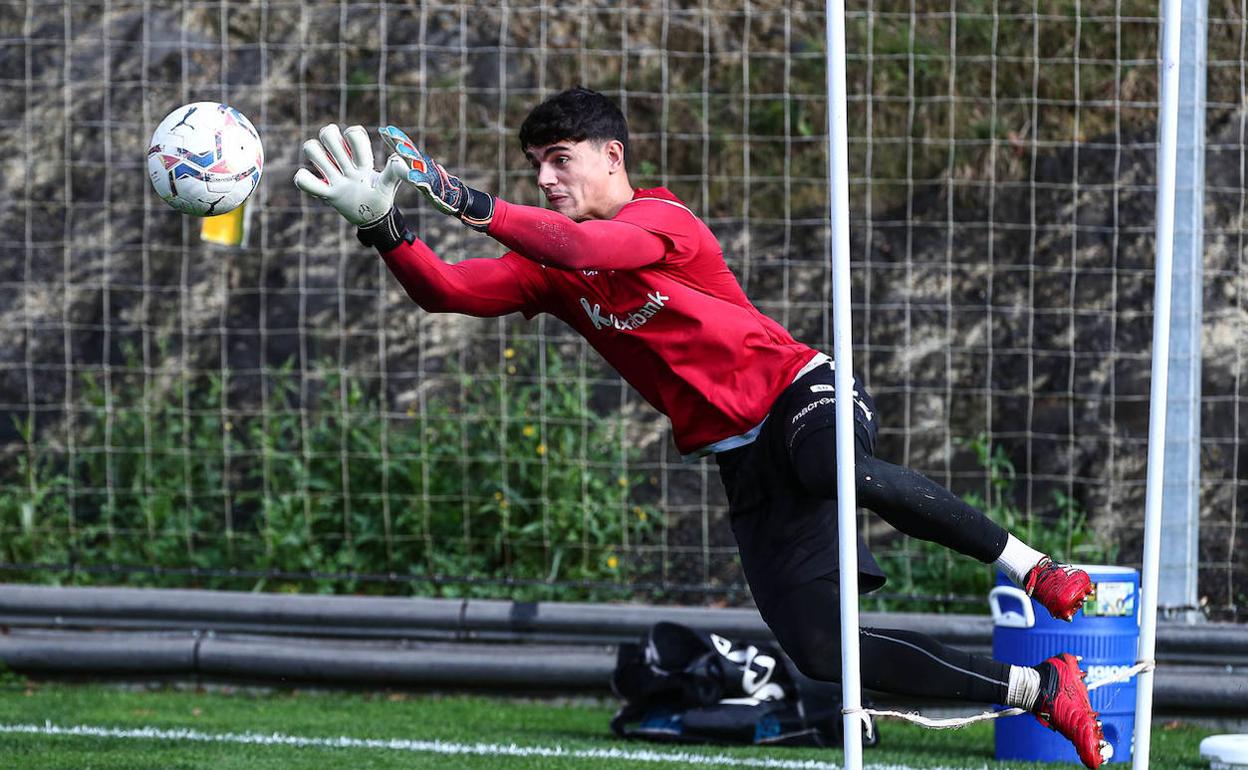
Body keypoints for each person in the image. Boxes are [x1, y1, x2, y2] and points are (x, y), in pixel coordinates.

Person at [293, 87, 1112, 769]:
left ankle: (1035, 568)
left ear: (612, 157)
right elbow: (445, 291)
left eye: (559, 159)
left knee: (833, 469)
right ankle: (1043, 690)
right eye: (534, 164)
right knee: (823, 654)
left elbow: (580, 245)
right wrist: (383, 228)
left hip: (799, 391)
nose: (544, 177)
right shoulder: (551, 269)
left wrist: (464, 198)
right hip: (739, 459)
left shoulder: (662, 219)